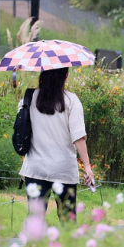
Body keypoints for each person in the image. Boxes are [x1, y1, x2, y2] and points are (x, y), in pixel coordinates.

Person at [18, 67, 93, 221]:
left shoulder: (29, 98)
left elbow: (22, 128)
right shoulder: (71, 100)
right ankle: (67, 246)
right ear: (64, 76)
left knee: (35, 218)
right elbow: (78, 137)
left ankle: (33, 246)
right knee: (67, 219)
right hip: (63, 169)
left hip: (35, 168)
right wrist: (87, 166)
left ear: (42, 74)